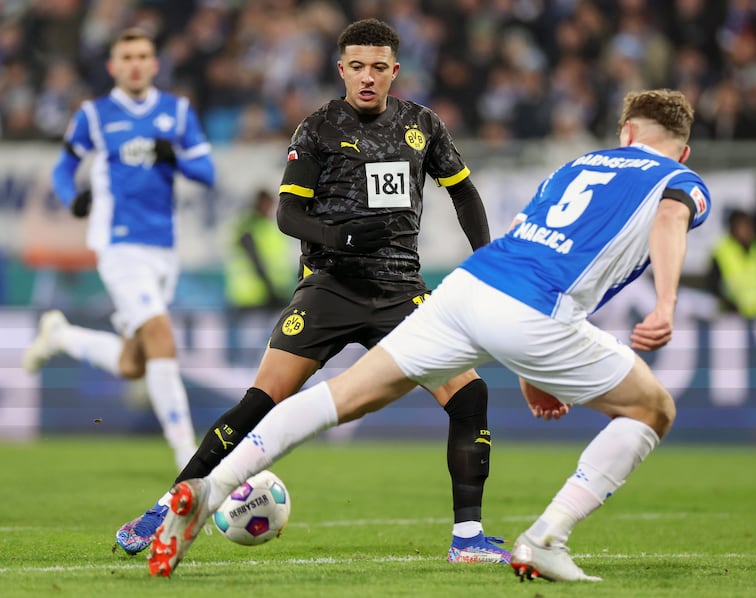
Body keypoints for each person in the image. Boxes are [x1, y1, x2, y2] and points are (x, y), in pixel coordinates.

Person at [146, 88, 712, 582]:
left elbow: (532, 249)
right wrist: (665, 302)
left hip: (468, 289)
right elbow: (667, 219)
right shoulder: (680, 177)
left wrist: (532, 368)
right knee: (651, 409)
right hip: (535, 313)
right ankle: (546, 539)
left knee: (340, 397)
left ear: (626, 133)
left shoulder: (578, 165)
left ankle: (211, 489)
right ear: (681, 149)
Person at [118, 18, 508, 564]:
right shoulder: (319, 128)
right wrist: (340, 235)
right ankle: (165, 507)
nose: (367, 78)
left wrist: (486, 260)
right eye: (357, 67)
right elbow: (287, 214)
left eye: (378, 67)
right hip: (330, 286)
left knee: (470, 397)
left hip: (402, 293)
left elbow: (464, 195)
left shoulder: (424, 126)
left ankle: (467, 539)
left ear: (395, 70)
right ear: (341, 69)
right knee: (259, 402)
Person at [23, 28, 216, 470]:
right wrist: (71, 197)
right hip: (118, 244)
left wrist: (177, 158)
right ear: (113, 66)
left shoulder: (177, 111)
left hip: (163, 249)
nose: (135, 63)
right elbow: (63, 166)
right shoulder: (95, 115)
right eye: (126, 56)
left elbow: (206, 172)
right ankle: (189, 457)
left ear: (154, 64)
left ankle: (61, 336)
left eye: (143, 55)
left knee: (134, 362)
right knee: (162, 335)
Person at [224, 189, 297, 363]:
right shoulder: (248, 227)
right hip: (252, 297)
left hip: (271, 296)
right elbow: (255, 260)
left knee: (269, 347)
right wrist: (272, 290)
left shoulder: (267, 227)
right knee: (252, 347)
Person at [707, 208, 756, 319]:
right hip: (732, 317)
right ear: (732, 227)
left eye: (748, 225)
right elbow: (713, 286)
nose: (747, 230)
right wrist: (729, 305)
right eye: (742, 225)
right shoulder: (722, 250)